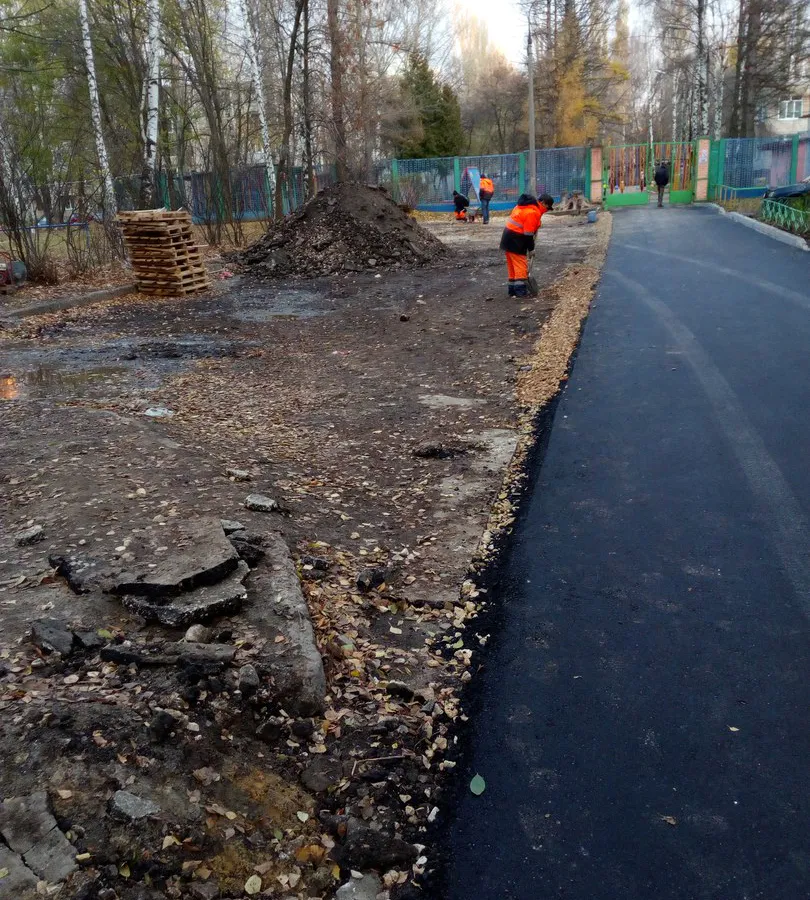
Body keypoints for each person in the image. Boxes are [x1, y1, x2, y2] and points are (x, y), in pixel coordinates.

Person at [500, 192, 554, 297]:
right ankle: (520, 292)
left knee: (513, 267)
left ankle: (512, 290)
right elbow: (528, 235)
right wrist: (531, 249)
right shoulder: (533, 212)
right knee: (520, 266)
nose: (547, 210)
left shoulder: (523, 206)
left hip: (507, 238)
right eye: (547, 207)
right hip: (517, 240)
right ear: (543, 203)